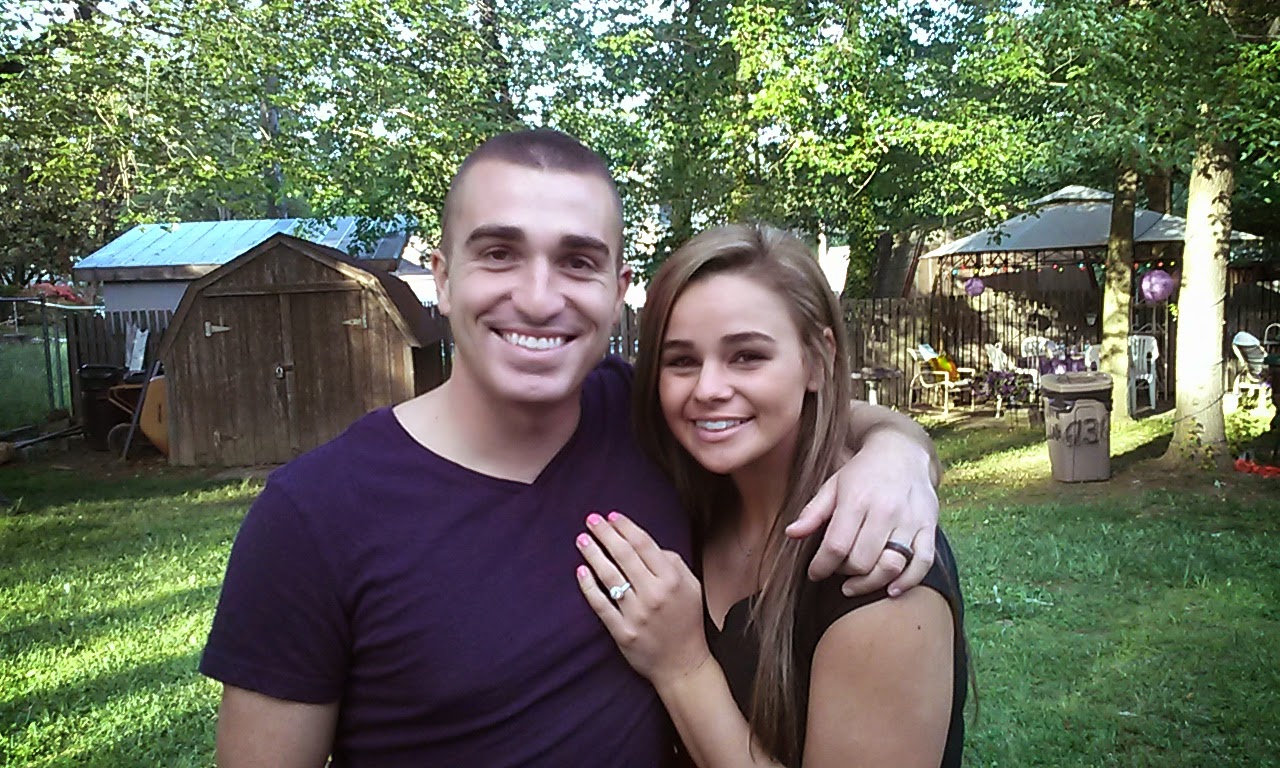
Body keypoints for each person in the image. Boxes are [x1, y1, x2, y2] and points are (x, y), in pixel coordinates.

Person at [201, 129, 944, 766]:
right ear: (443, 278)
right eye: (499, 253)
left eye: (578, 261)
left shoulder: (648, 420)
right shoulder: (315, 516)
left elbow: (785, 407)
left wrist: (897, 450)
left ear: (618, 290)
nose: (537, 297)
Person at [577, 223, 967, 767]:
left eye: (747, 356)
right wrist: (897, 442)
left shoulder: (874, 561)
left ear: (817, 359)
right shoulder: (689, 495)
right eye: (681, 360)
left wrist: (683, 668)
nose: (708, 389)